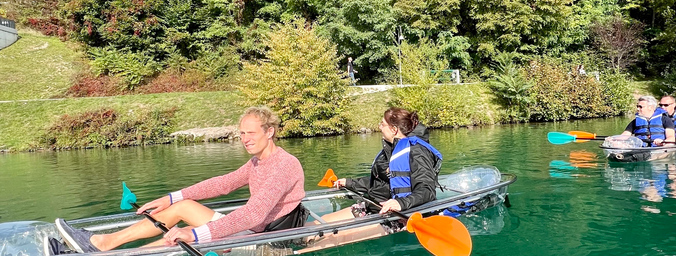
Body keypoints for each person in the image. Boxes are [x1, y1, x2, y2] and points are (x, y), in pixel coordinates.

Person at [49, 107, 306, 255]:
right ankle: (105, 244)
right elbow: (222, 183)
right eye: (241, 133)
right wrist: (171, 198)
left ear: (269, 132)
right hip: (251, 235)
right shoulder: (258, 162)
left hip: (269, 248)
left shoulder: (284, 164)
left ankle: (106, 247)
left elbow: (253, 214)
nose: (245, 138)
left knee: (182, 235)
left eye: (251, 133)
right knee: (183, 207)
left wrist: (194, 233)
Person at [301, 108, 441, 252]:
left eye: (382, 124)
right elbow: (379, 182)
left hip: (395, 217)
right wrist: (348, 182)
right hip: (372, 208)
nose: (379, 127)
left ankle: (297, 253)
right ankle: (283, 248)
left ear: (393, 129)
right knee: (314, 227)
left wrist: (400, 203)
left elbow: (427, 190)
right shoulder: (389, 150)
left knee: (333, 238)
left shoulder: (418, 152)